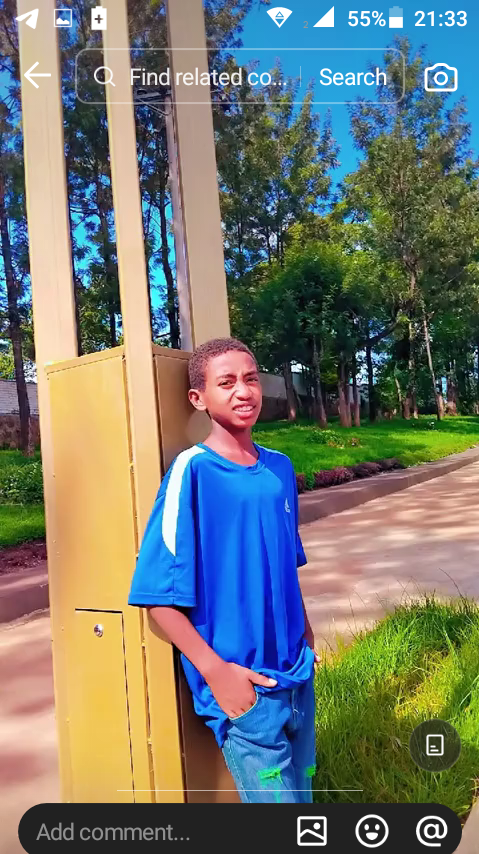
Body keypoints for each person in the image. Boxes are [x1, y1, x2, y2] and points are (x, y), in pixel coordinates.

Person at [128, 336, 320, 803]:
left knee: (306, 803)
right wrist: (217, 673)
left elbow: (286, 565)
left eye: (250, 379)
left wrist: (307, 638)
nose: (243, 391)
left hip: (296, 676)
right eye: (227, 382)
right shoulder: (192, 472)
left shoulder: (280, 468)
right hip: (244, 688)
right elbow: (157, 598)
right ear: (199, 398)